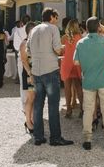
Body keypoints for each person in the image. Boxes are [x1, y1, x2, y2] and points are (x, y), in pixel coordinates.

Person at [27, 8, 73, 147]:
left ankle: (38, 136)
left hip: (36, 70)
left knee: (38, 105)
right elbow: (57, 49)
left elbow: (28, 50)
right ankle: (55, 138)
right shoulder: (53, 28)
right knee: (53, 105)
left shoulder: (33, 30)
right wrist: (65, 47)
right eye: (56, 17)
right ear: (52, 17)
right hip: (50, 69)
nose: (57, 20)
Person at [74, 17, 104, 151]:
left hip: (88, 80)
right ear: (99, 27)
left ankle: (87, 140)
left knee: (88, 110)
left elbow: (76, 62)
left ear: (86, 28)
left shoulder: (80, 43)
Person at [60, 18, 82, 118]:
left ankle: (69, 110)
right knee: (78, 87)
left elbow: (60, 51)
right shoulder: (80, 37)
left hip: (67, 63)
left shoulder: (64, 37)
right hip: (77, 63)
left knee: (67, 88)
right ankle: (82, 109)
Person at [20, 21, 36, 133]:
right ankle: (28, 122)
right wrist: (30, 74)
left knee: (34, 99)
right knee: (30, 99)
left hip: (34, 73)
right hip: (29, 74)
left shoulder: (32, 42)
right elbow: (24, 61)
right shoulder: (25, 43)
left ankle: (33, 120)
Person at [12, 15, 30, 109]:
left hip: (21, 57)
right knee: (31, 82)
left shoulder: (17, 31)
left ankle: (24, 104)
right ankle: (31, 103)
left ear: (21, 22)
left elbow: (16, 46)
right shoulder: (33, 31)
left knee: (23, 82)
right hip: (32, 58)